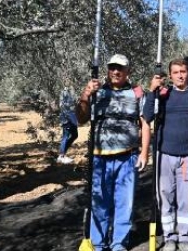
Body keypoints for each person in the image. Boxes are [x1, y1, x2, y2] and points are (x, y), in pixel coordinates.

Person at [75, 54, 150, 251]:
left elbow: (145, 124)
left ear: (128, 71)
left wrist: (144, 154)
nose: (116, 72)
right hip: (100, 157)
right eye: (112, 68)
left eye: (120, 68)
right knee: (99, 203)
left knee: (125, 203)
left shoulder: (137, 93)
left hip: (128, 156)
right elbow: (81, 118)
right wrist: (85, 95)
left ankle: (119, 244)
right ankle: (98, 244)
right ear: (108, 69)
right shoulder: (97, 92)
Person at [144, 59, 188, 251]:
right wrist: (152, 91)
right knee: (165, 196)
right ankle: (169, 237)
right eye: (175, 72)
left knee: (186, 198)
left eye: (183, 71)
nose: (180, 75)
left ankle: (185, 237)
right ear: (170, 75)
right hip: (164, 155)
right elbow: (147, 116)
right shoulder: (163, 95)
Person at [57, 85, 78, 164]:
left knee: (75, 135)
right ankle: (62, 156)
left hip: (73, 119)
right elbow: (62, 105)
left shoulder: (72, 91)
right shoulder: (64, 92)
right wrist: (66, 118)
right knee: (65, 136)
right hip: (67, 119)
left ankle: (62, 153)